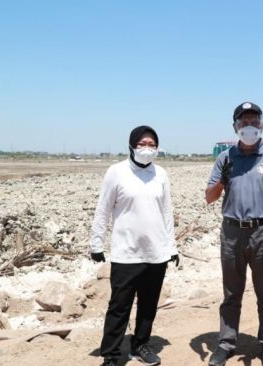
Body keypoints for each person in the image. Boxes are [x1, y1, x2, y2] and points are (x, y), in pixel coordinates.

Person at [205, 102, 263, 366]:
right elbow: (210, 197)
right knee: (231, 293)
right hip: (232, 232)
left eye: (254, 121)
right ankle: (225, 343)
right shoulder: (225, 158)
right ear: (235, 126)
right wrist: (222, 179)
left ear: (262, 125)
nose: (249, 126)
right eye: (244, 121)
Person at [90, 125, 179, 366]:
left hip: (156, 253)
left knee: (149, 305)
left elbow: (167, 212)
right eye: (142, 143)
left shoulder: (160, 174)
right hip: (126, 253)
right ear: (131, 145)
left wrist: (172, 247)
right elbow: (103, 209)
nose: (147, 148)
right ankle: (110, 355)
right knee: (119, 306)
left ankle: (140, 345)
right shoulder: (116, 172)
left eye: (152, 144)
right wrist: (96, 242)